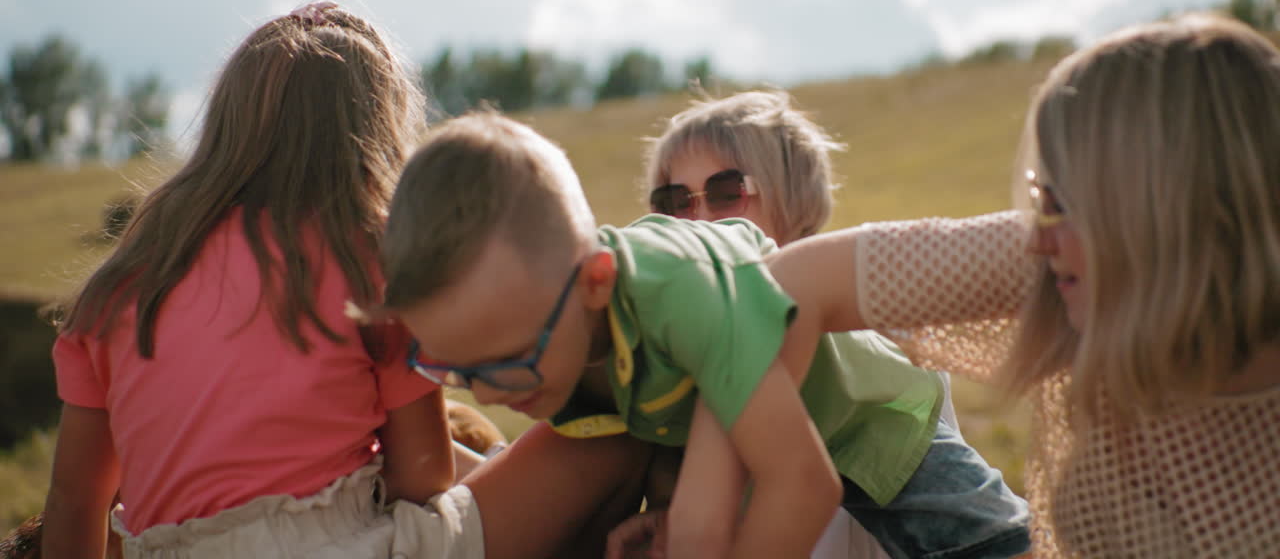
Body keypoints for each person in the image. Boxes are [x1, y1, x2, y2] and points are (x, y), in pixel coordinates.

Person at [41, 2, 649, 559]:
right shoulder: (367, 256)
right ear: (376, 127)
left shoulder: (125, 280)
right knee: (617, 439)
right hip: (344, 545)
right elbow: (423, 479)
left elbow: (76, 500)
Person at [371, 111, 1030, 559]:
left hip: (874, 431)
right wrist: (664, 507)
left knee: (991, 546)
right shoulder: (562, 339)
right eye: (457, 372)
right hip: (762, 455)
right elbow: (672, 417)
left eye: (508, 364)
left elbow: (804, 484)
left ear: (597, 281)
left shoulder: (680, 292)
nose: (487, 396)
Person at [764, 13, 1280, 557]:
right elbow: (791, 284)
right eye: (1041, 197)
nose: (1036, 240)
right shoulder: (1072, 267)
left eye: (1061, 201)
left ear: (1167, 204)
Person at [613, 89, 990, 559]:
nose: (700, 220)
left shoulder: (878, 341)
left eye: (725, 193)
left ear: (792, 201)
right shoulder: (676, 349)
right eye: (675, 202)